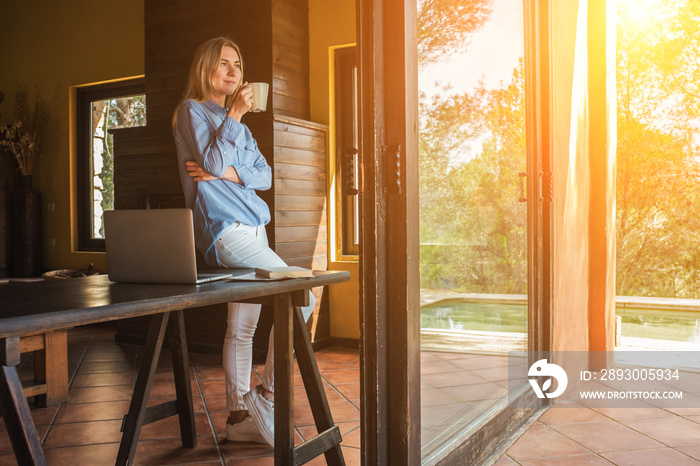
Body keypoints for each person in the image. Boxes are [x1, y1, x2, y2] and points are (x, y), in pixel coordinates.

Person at [172, 36, 315, 446]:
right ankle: (267, 395)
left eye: (237, 64)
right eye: (224, 63)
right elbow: (213, 161)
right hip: (225, 230)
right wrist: (233, 119)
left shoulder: (242, 129)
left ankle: (237, 417)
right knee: (302, 294)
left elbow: (264, 176)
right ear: (205, 68)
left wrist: (227, 173)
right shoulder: (191, 112)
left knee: (241, 326)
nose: (234, 71)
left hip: (254, 227)